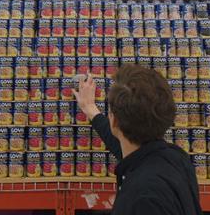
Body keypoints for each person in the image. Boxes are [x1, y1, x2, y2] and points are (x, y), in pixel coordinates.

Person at [74, 64, 202, 215]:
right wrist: (90, 108)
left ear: (114, 121)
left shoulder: (144, 198)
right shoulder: (176, 157)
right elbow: (123, 145)